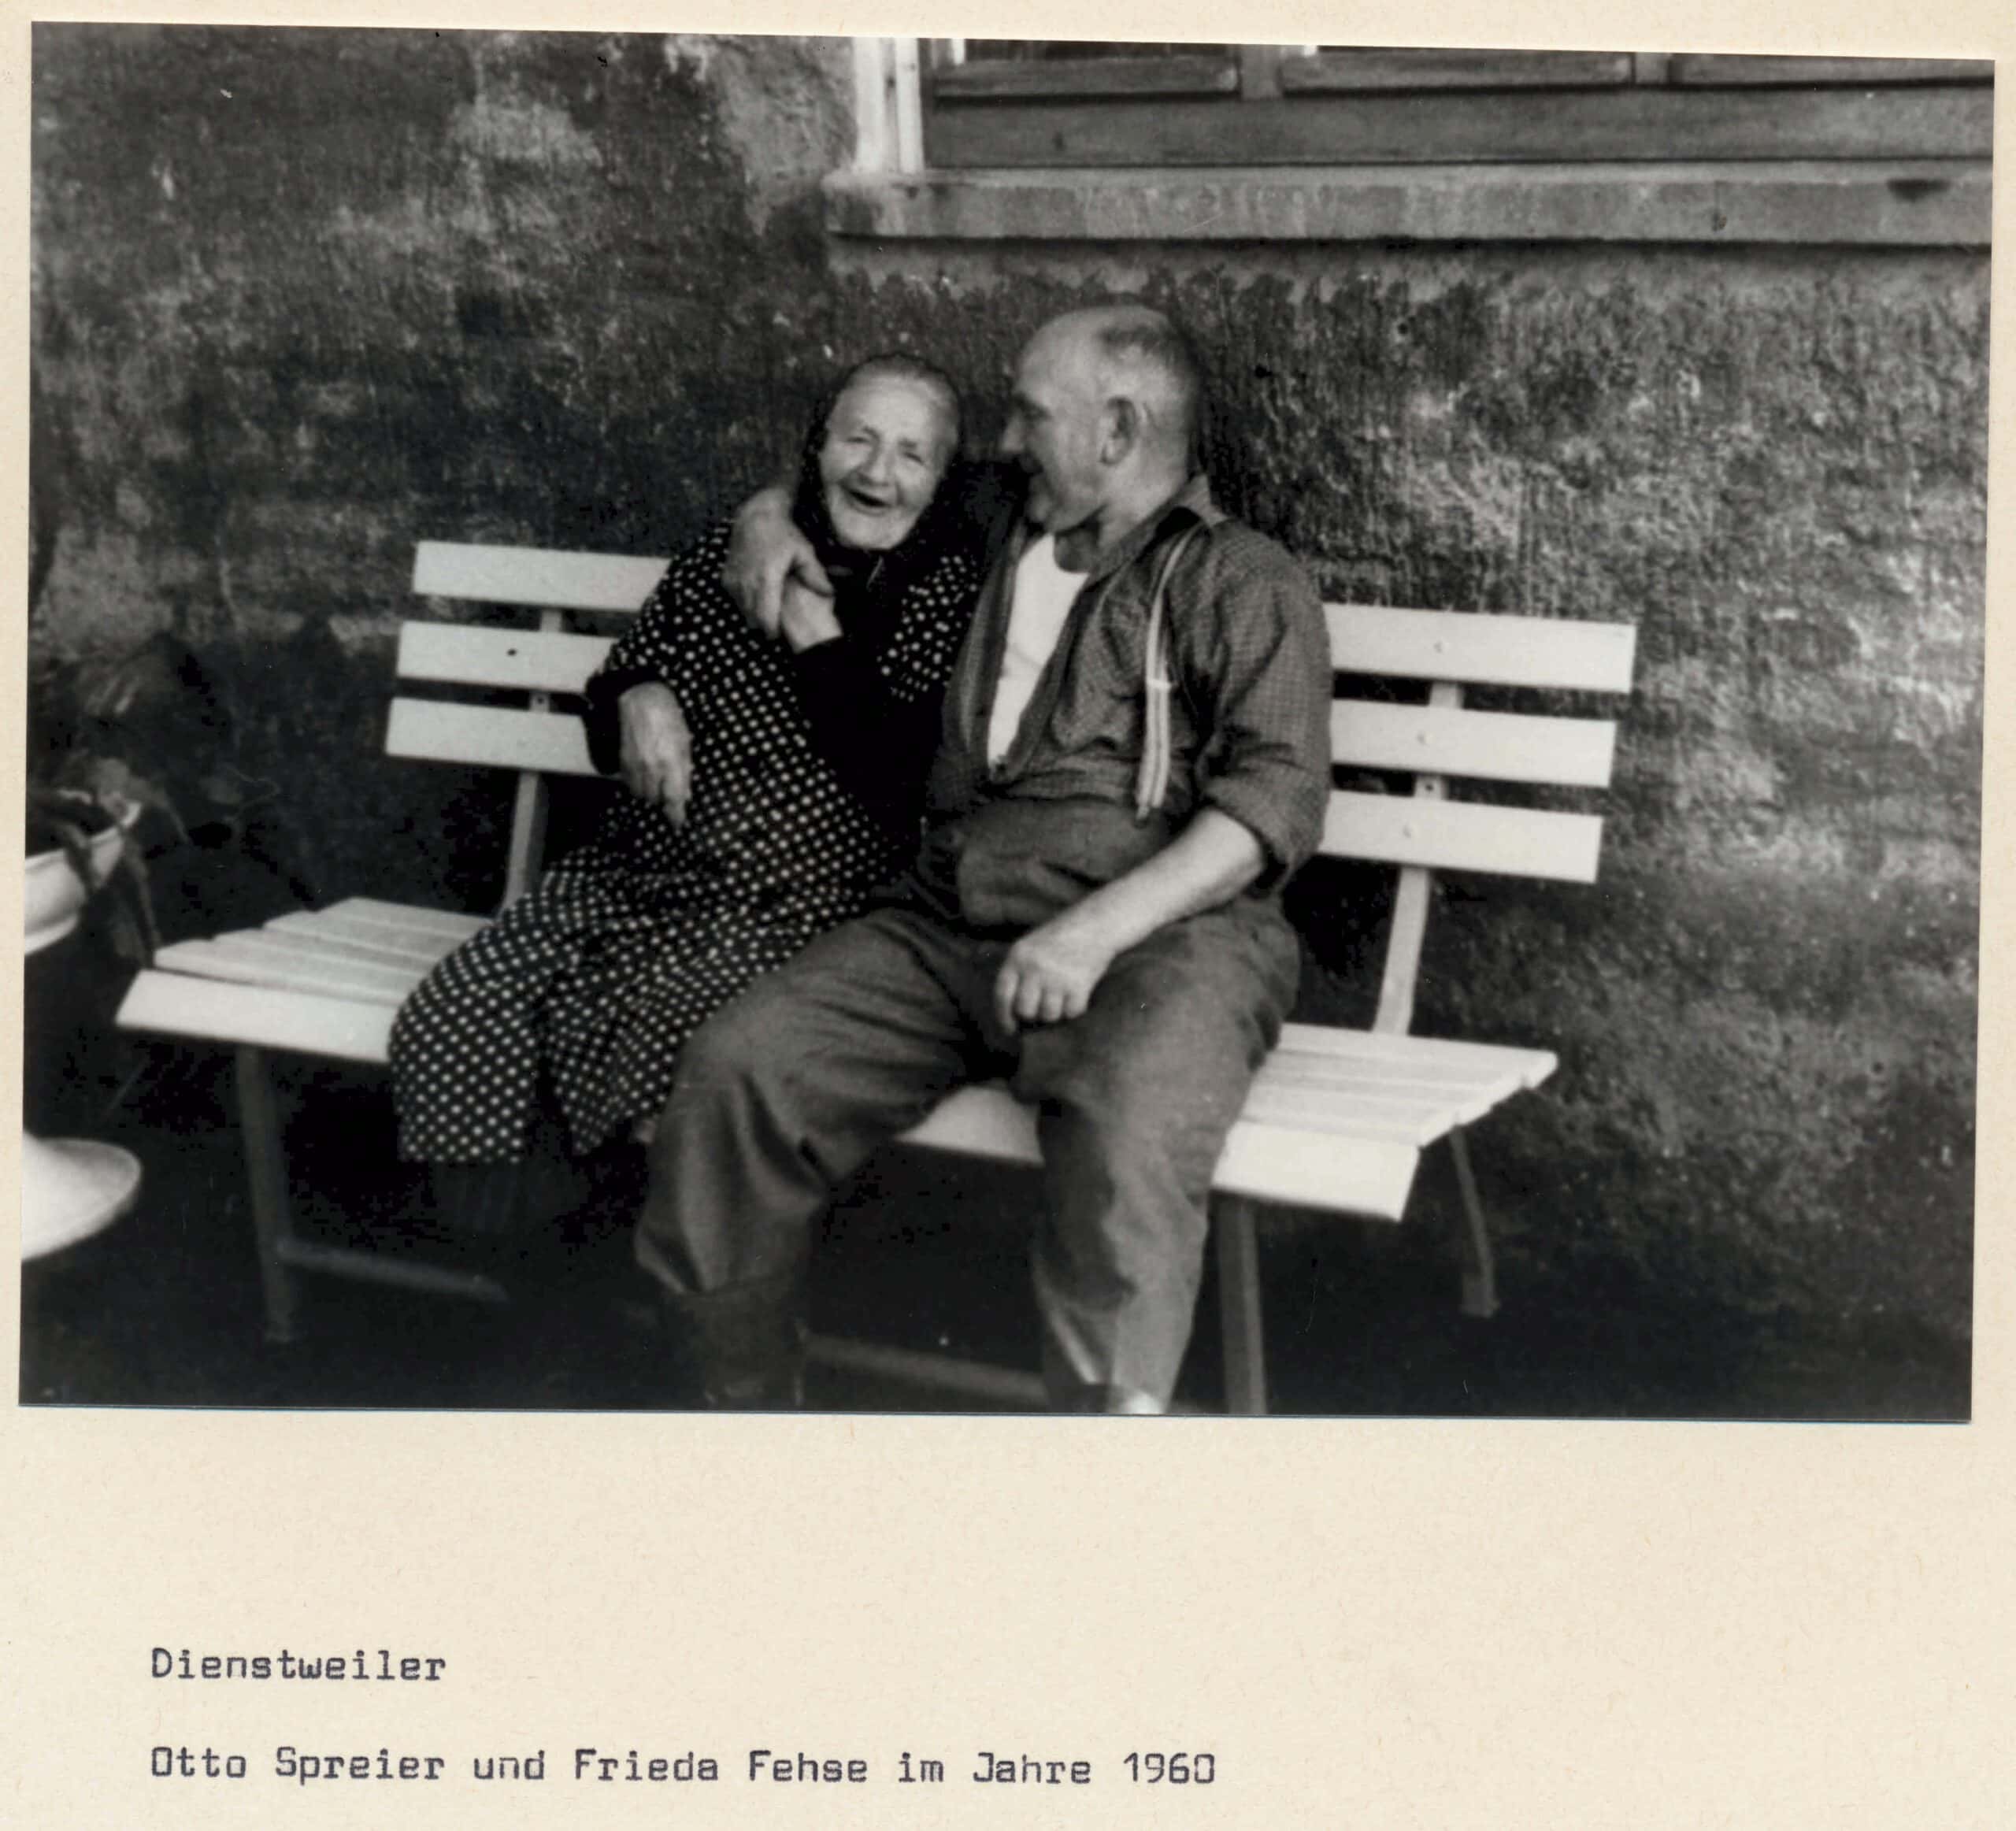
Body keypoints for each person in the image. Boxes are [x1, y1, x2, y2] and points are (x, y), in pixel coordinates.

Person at [637, 303, 1334, 1411]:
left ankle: (1104, 1455)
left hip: (1163, 937)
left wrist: (1091, 933)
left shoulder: (1241, 579)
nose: (1004, 440)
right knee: (740, 1068)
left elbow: (1274, 802)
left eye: (1030, 415)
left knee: (1124, 1131)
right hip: (947, 913)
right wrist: (764, 523)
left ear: (1118, 431)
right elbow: (841, 477)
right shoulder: (1000, 518)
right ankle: (740, 1408)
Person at [387, 355, 984, 1257]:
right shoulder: (727, 555)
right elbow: (612, 697)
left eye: (911, 454)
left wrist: (815, 634)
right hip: (631, 878)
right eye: (857, 439)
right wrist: (636, 696)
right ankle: (504, 1273)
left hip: (796, 906)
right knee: (459, 1007)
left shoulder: (944, 593)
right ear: (815, 448)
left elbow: (899, 776)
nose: (876, 472)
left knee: (650, 1037)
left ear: (941, 482)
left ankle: (594, 1275)